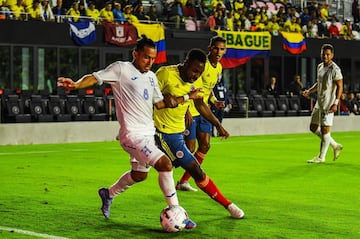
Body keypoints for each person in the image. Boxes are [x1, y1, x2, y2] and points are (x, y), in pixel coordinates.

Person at [57, 35, 197, 229]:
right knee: (165, 165)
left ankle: (108, 193)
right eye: (146, 57)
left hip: (148, 134)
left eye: (153, 58)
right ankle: (177, 212)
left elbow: (160, 104)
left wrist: (183, 98)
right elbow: (94, 77)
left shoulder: (151, 77)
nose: (150, 62)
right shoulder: (121, 69)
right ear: (135, 54)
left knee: (139, 175)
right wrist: (76, 84)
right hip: (132, 135)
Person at [154, 48, 245, 219]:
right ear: (186, 62)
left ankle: (110, 193)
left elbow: (200, 104)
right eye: (194, 70)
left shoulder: (196, 84)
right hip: (161, 133)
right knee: (190, 169)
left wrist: (218, 124)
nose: (196, 75)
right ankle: (181, 212)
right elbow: (152, 98)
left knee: (140, 174)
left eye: (200, 72)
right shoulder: (165, 73)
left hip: (177, 132)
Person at [176, 36, 227, 192]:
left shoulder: (219, 67)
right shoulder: (201, 64)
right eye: (216, 48)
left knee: (205, 145)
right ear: (210, 48)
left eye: (222, 49)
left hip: (203, 108)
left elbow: (207, 87)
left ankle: (183, 181)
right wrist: (185, 109)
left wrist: (214, 100)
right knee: (190, 149)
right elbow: (189, 84)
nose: (218, 52)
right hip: (191, 109)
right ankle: (160, 156)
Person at [303, 44, 343, 163]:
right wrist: (309, 91)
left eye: (327, 54)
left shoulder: (335, 70)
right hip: (319, 102)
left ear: (332, 55)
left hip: (328, 103)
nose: (325, 56)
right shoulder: (320, 66)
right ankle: (335, 145)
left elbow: (340, 86)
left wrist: (336, 102)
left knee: (325, 130)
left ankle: (321, 157)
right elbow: (319, 83)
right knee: (313, 127)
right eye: (323, 54)